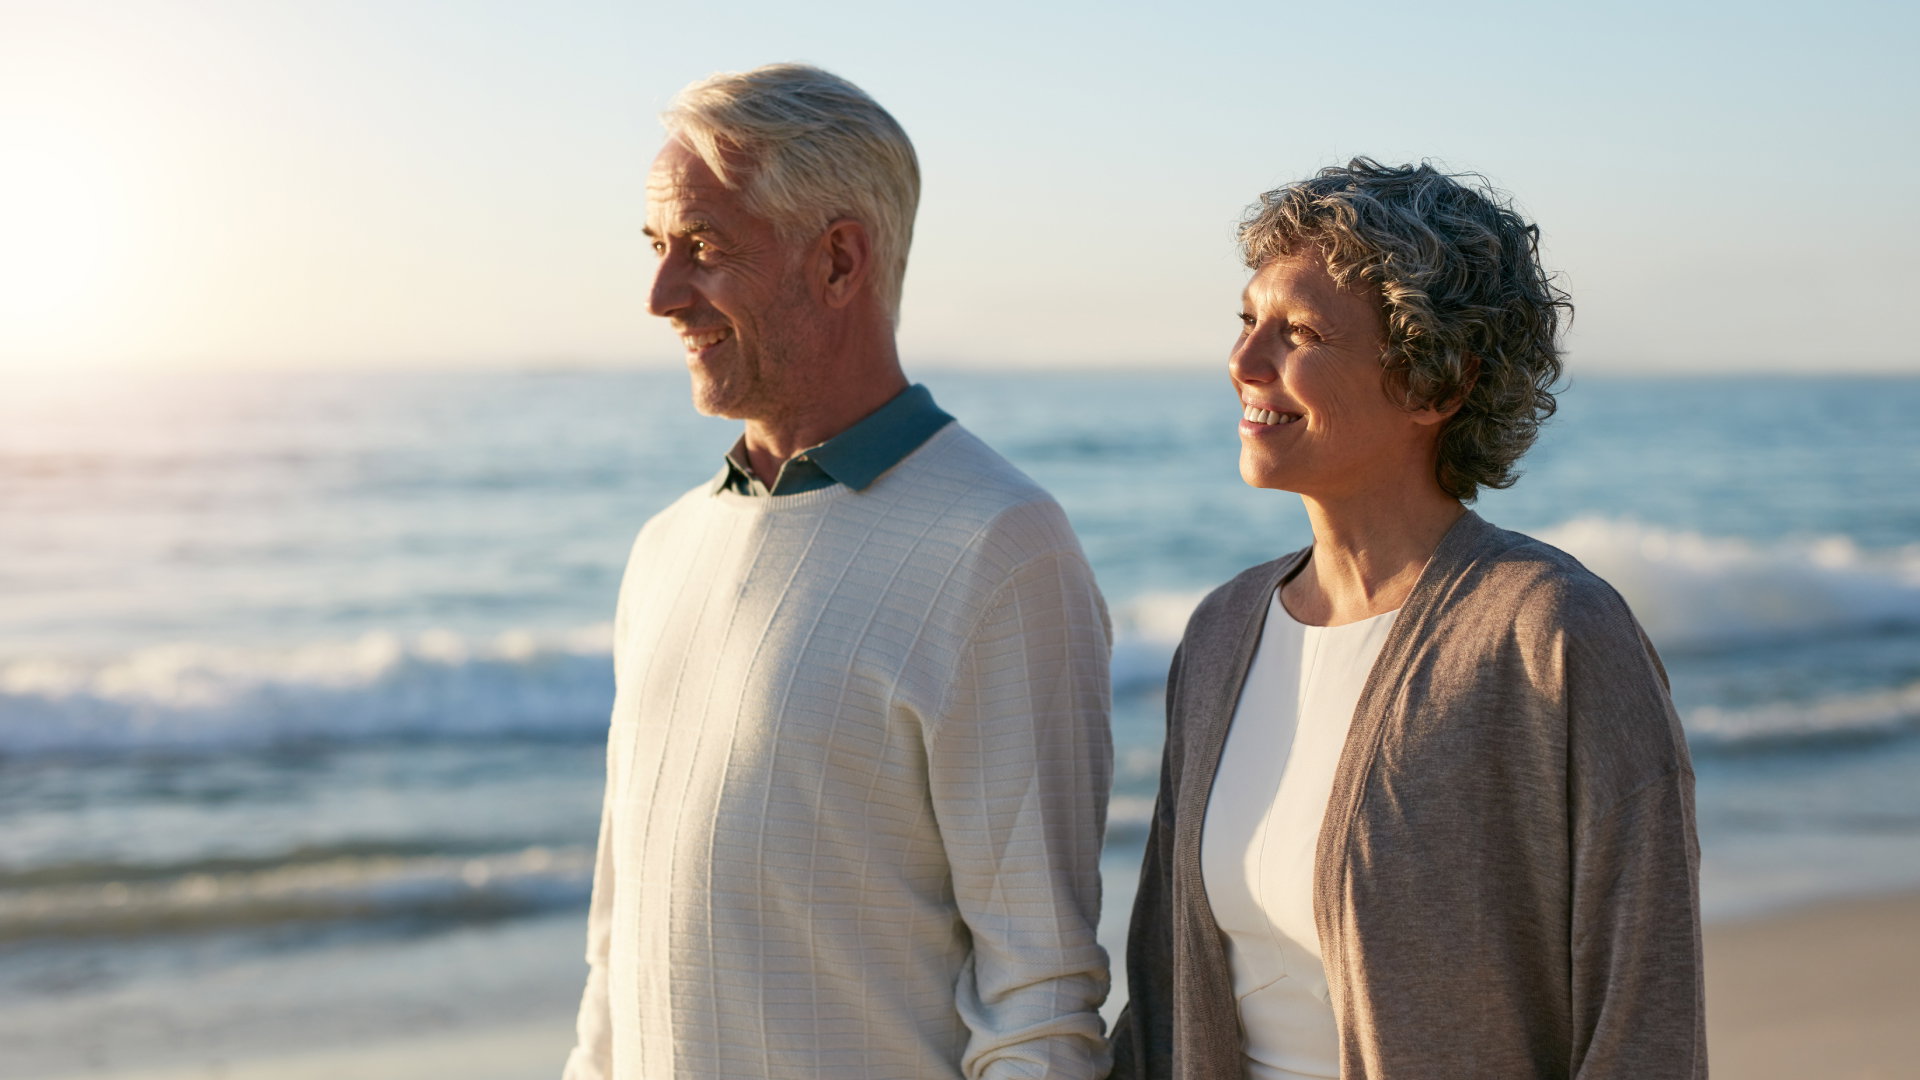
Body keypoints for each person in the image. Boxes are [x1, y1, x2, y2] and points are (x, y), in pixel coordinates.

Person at [561, 64, 1113, 1080]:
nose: (661, 294)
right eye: (656, 249)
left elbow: (1038, 1005)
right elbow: (617, 955)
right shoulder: (664, 549)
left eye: (705, 248)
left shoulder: (1002, 546)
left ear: (840, 260)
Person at [1110, 159, 1704, 1079]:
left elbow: (1645, 1022)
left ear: (1439, 384)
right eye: (1246, 320)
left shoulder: (1550, 636)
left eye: (1300, 332)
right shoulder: (1223, 631)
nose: (1243, 363)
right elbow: (1158, 1004)